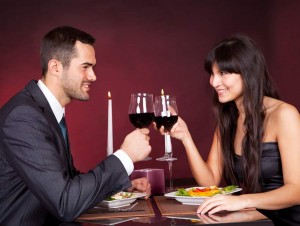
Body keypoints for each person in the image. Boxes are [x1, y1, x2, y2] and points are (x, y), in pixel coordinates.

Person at [0, 26, 151, 226]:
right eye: (85, 67)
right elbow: (65, 202)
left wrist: (119, 187)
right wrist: (125, 156)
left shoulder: (46, 110)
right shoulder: (23, 116)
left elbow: (66, 182)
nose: (93, 76)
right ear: (55, 67)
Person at [162, 35, 300, 225]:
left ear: (248, 72)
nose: (213, 82)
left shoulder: (284, 114)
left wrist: (241, 201)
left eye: (223, 73)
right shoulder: (229, 120)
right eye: (212, 73)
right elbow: (210, 181)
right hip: (258, 216)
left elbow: (297, 191)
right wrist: (186, 137)